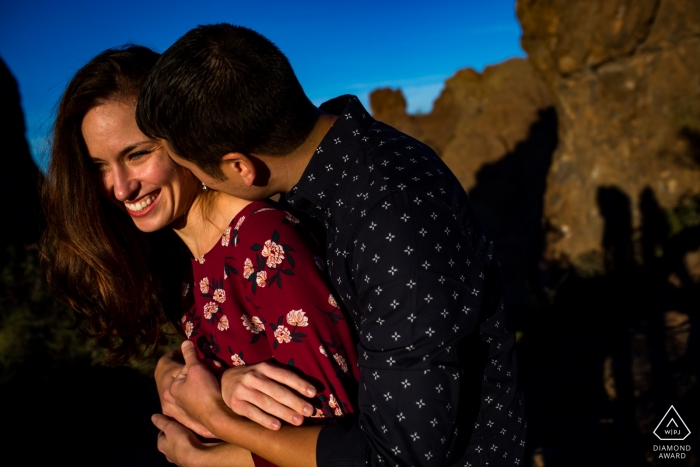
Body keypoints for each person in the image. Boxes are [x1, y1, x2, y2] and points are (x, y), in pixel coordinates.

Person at [136, 24, 526, 467]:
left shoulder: (391, 215)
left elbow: (399, 456)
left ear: (241, 167)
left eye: (202, 177)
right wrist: (176, 369)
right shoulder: (337, 172)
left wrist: (216, 433)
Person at [40, 45, 361, 467]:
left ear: (183, 138)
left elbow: (339, 442)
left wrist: (201, 454)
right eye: (99, 166)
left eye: (137, 155)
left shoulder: (264, 242)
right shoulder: (182, 257)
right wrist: (180, 373)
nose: (120, 189)